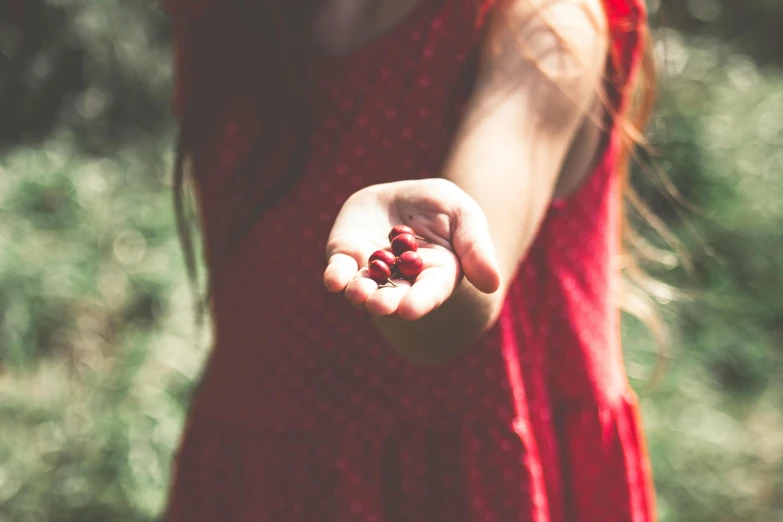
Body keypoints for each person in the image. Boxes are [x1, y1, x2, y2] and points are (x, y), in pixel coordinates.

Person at [161, 0, 658, 520]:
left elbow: (455, 305)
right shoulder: (230, 22)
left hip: (461, 489)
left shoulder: (543, 26)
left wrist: (433, 253)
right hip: (258, 476)